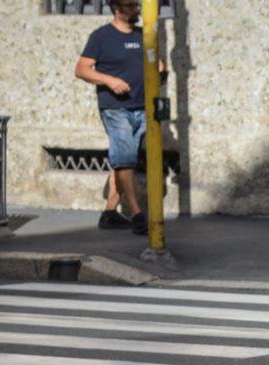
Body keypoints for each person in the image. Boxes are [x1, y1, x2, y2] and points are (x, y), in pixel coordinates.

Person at [76, 0, 156, 235]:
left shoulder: (144, 35)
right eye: (131, 6)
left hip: (142, 107)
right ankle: (137, 214)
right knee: (125, 158)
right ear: (116, 9)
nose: (137, 10)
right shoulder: (101, 37)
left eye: (137, 5)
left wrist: (160, 70)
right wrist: (109, 81)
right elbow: (81, 69)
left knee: (125, 158)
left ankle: (110, 212)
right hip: (115, 108)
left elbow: (155, 63)